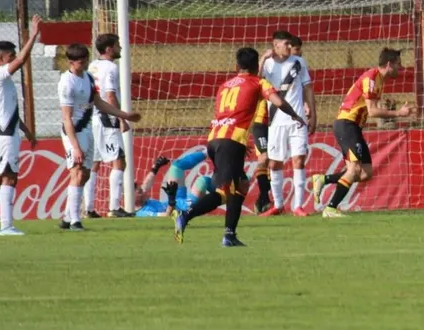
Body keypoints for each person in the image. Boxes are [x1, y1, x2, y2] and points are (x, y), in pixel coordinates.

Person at [174, 47, 304, 246]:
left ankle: (230, 235)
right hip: (230, 143)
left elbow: (228, 114)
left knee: (241, 185)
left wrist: (239, 143)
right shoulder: (258, 82)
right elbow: (278, 101)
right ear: (255, 66)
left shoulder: (224, 85)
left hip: (216, 139)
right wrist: (295, 115)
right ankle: (186, 215)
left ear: (237, 66)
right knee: (226, 191)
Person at [58, 43, 142, 231]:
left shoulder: (88, 77)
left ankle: (66, 217)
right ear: (71, 62)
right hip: (74, 131)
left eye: (86, 60)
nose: (85, 64)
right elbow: (66, 118)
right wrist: (75, 147)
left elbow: (99, 102)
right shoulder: (66, 82)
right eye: (81, 62)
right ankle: (75, 221)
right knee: (78, 172)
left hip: (88, 130)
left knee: (85, 174)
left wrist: (124, 115)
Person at [322, 48, 415, 218]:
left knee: (365, 172)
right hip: (346, 123)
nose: (400, 69)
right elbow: (372, 112)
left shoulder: (379, 80)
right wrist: (398, 114)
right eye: (398, 65)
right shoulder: (372, 78)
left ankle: (323, 180)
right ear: (389, 64)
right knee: (355, 168)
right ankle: (331, 208)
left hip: (354, 126)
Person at [0, 15, 42, 236]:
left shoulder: (4, 81)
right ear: (0, 59)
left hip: (4, 134)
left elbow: (8, 111)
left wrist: (27, 132)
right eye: (9, 57)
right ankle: (7, 226)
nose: (14, 60)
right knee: (9, 176)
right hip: (3, 136)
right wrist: (33, 35)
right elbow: (21, 60)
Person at [260, 31, 316, 217]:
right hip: (276, 121)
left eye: (290, 44)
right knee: (275, 164)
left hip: (297, 119)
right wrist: (262, 59)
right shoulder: (267, 64)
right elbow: (255, 81)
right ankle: (278, 205)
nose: (289, 47)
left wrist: (313, 114)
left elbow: (307, 87)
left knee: (298, 160)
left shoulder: (299, 63)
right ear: (275, 45)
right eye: (286, 44)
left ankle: (298, 206)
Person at [85, 33, 133, 218]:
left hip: (94, 118)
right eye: (117, 45)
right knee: (119, 160)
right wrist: (121, 118)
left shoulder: (92, 66)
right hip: (107, 118)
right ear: (109, 49)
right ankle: (114, 207)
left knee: (94, 163)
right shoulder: (111, 68)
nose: (120, 48)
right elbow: (111, 95)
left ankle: (89, 208)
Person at [132, 154, 214, 217]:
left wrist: (155, 168)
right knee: (203, 181)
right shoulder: (143, 213)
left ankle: (209, 152)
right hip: (183, 208)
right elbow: (167, 216)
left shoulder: (140, 200)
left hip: (176, 200)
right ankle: (223, 193)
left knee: (176, 167)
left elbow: (146, 185)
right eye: (139, 191)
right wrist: (171, 201)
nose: (143, 190)